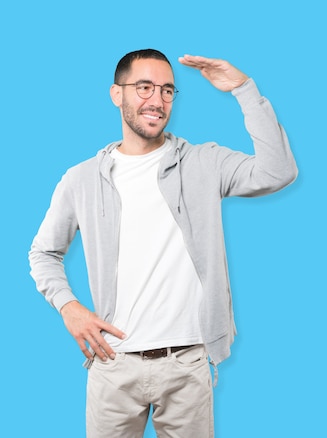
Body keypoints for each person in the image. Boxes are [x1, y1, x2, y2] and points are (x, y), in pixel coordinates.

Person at [28, 48, 298, 437]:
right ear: (116, 94)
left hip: (186, 364)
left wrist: (243, 88)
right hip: (113, 364)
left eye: (167, 91)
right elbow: (44, 252)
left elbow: (279, 170)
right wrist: (69, 307)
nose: (157, 100)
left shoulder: (205, 162)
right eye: (144, 87)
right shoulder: (81, 179)